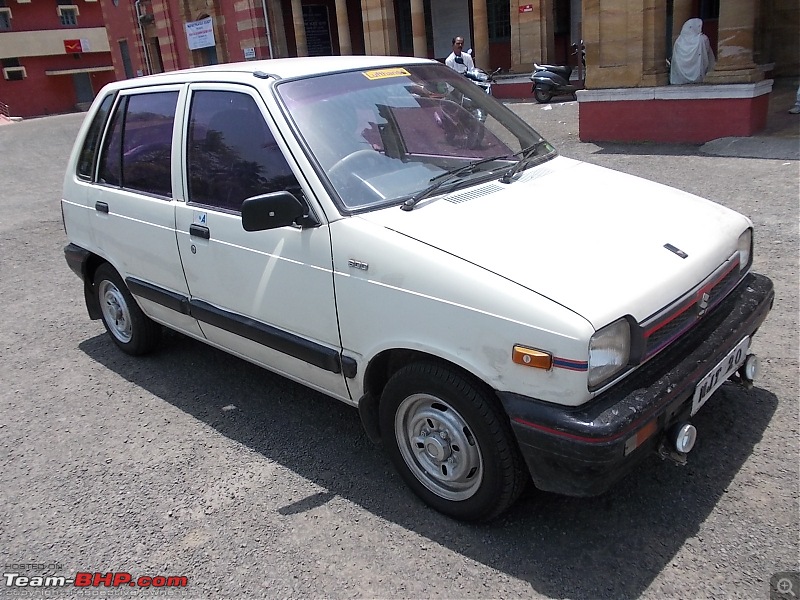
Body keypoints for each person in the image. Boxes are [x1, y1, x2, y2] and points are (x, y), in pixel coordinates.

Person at [669, 18, 716, 85]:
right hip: (700, 75)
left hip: (679, 79)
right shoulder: (702, 39)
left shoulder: (678, 42)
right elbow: (707, 54)